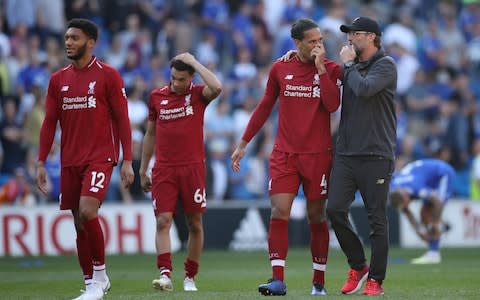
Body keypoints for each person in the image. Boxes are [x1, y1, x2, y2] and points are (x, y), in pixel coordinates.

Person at [231, 18, 341, 296]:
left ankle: (318, 282)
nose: (318, 45)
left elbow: (332, 104)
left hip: (318, 156)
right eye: (312, 41)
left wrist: (320, 70)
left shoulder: (330, 69)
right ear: (297, 43)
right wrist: (243, 143)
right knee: (279, 210)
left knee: (316, 216)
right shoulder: (280, 68)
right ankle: (278, 279)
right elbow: (265, 105)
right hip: (284, 154)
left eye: (320, 40)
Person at [36, 19, 134, 300]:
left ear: (91, 42)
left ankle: (99, 278)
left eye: (75, 38)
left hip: (100, 157)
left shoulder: (108, 76)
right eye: (66, 37)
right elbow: (49, 122)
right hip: (70, 160)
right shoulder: (58, 80)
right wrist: (41, 162)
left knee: (88, 211)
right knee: (79, 221)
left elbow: (122, 119)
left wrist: (127, 160)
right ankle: (90, 281)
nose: (68, 42)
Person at [326, 17, 397, 296]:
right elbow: (324, 71)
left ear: (371, 37)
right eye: (349, 34)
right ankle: (358, 265)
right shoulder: (350, 66)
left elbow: (366, 89)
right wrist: (296, 56)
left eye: (355, 34)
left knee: (376, 220)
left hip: (376, 154)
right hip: (346, 153)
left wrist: (347, 65)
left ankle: (375, 281)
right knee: (334, 209)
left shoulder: (386, 65)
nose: (350, 39)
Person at [139, 52, 222, 292]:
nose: (176, 83)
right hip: (164, 169)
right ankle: (165, 274)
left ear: (192, 78)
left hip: (193, 168)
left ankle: (190, 277)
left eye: (182, 79)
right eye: (173, 78)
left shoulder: (198, 95)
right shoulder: (156, 97)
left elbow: (217, 86)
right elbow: (150, 134)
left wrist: (195, 62)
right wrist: (144, 169)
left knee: (194, 223)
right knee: (163, 220)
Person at [389, 159, 455, 264]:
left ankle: (434, 253)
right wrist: (418, 232)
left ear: (406, 196)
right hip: (426, 176)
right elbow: (405, 210)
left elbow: (437, 202)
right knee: (424, 216)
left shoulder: (416, 187)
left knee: (430, 214)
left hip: (442, 174)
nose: (407, 205)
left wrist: (435, 223)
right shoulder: (394, 189)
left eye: (407, 203)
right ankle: (433, 249)